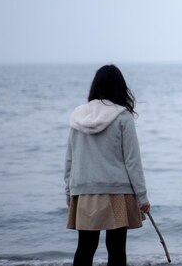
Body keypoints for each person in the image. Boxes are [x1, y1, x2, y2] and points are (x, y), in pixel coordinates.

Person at [64, 64, 150, 266]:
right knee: (117, 248)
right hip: (116, 192)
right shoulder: (122, 116)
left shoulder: (78, 115)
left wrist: (69, 192)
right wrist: (142, 196)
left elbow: (70, 158)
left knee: (85, 247)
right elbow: (132, 160)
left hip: (84, 191)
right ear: (120, 87)